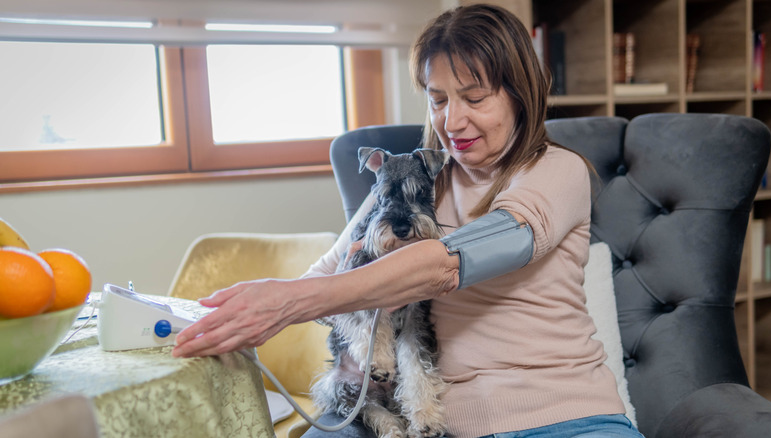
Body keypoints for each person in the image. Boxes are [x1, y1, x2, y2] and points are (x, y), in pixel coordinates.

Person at [173, 4, 644, 437]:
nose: (452, 121)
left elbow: (452, 263)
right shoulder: (413, 178)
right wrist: (214, 317)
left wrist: (294, 301)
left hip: (569, 419)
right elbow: (327, 271)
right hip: (444, 425)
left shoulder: (556, 170)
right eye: (438, 100)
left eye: (474, 98)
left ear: (520, 95)